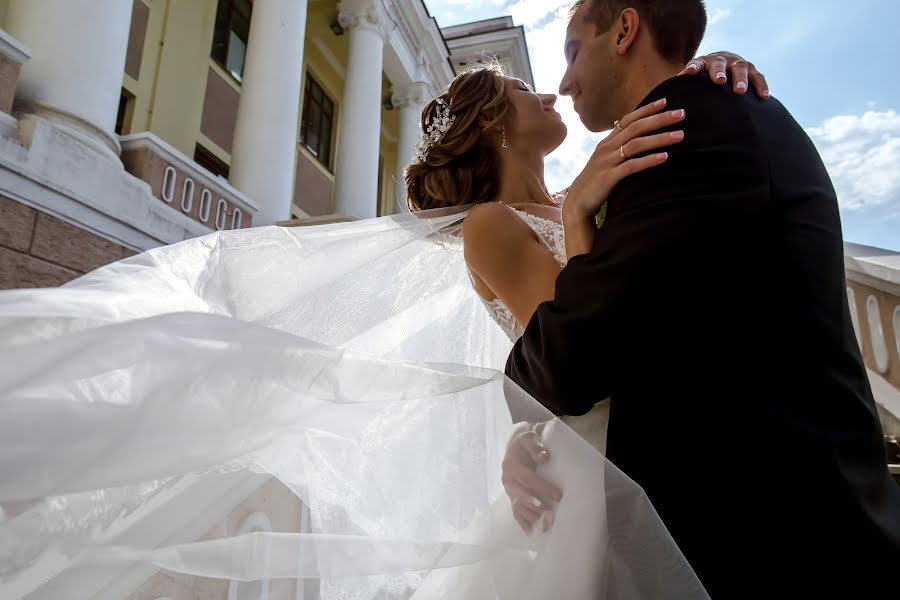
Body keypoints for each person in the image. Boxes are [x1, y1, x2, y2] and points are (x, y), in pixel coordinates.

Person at [500, 0, 900, 597]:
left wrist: (580, 211)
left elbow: (566, 360)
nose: (563, 82)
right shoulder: (710, 114)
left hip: (777, 547)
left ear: (626, 30)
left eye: (574, 50)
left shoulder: (689, 128)